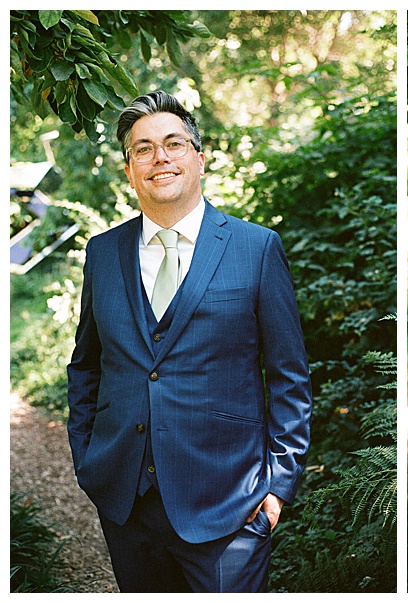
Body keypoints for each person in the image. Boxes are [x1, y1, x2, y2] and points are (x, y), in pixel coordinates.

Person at [66, 91, 312, 592]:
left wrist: (277, 489)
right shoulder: (102, 252)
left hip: (230, 505)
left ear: (199, 159)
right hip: (125, 500)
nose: (160, 157)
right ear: (129, 169)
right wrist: (89, 462)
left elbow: (290, 377)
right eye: (143, 148)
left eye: (174, 144)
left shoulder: (256, 248)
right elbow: (86, 366)